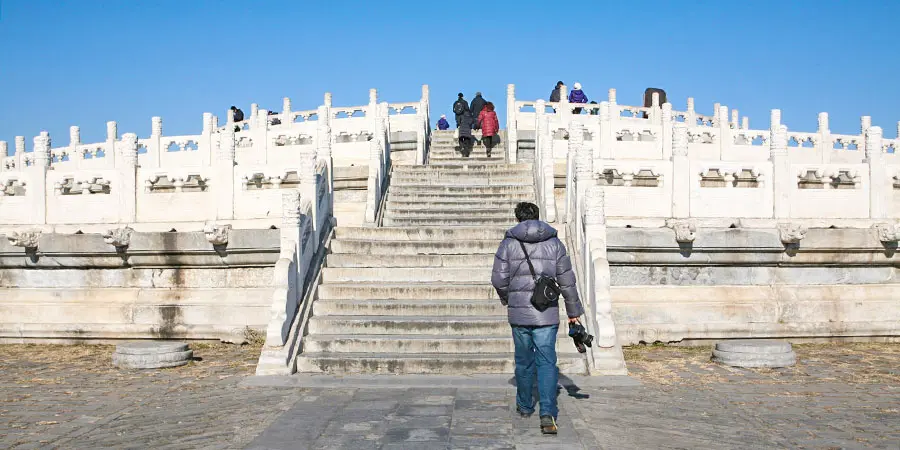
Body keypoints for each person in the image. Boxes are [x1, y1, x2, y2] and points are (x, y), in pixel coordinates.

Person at [491, 202, 584, 435]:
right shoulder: (555, 244)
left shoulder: (509, 244)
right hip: (547, 313)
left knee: (523, 362)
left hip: (519, 314)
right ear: (538, 217)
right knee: (546, 362)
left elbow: (498, 279)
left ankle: (524, 406)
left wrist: (509, 298)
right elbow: (567, 281)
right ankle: (547, 414)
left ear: (517, 218)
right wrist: (574, 314)